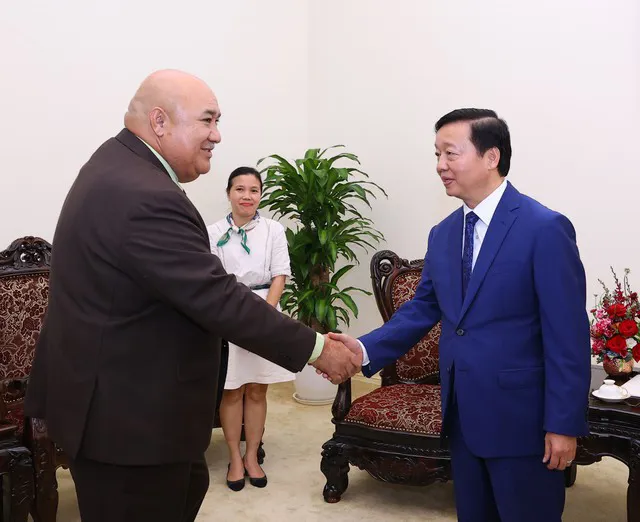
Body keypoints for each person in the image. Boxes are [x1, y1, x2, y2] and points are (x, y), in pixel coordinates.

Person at [24, 69, 359, 522]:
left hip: (125, 407)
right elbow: (216, 297)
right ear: (160, 121)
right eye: (207, 120)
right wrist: (318, 348)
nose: (216, 135)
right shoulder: (144, 194)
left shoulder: (118, 165)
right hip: (128, 425)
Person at [330, 108, 591, 522]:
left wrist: (563, 424)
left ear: (491, 157)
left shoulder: (544, 228)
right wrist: (362, 349)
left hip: (523, 421)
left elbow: (568, 337)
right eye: (436, 154)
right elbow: (423, 308)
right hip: (462, 416)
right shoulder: (444, 233)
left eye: (450, 153)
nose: (440, 165)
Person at [207, 166, 293, 491]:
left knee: (257, 389)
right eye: (240, 189)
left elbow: (280, 275)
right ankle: (234, 457)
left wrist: (264, 319)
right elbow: (212, 280)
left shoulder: (273, 230)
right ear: (229, 193)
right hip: (228, 313)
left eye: (254, 190)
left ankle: (252, 455)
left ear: (260, 195)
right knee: (232, 390)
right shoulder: (213, 232)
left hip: (265, 312)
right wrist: (235, 319)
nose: (247, 196)